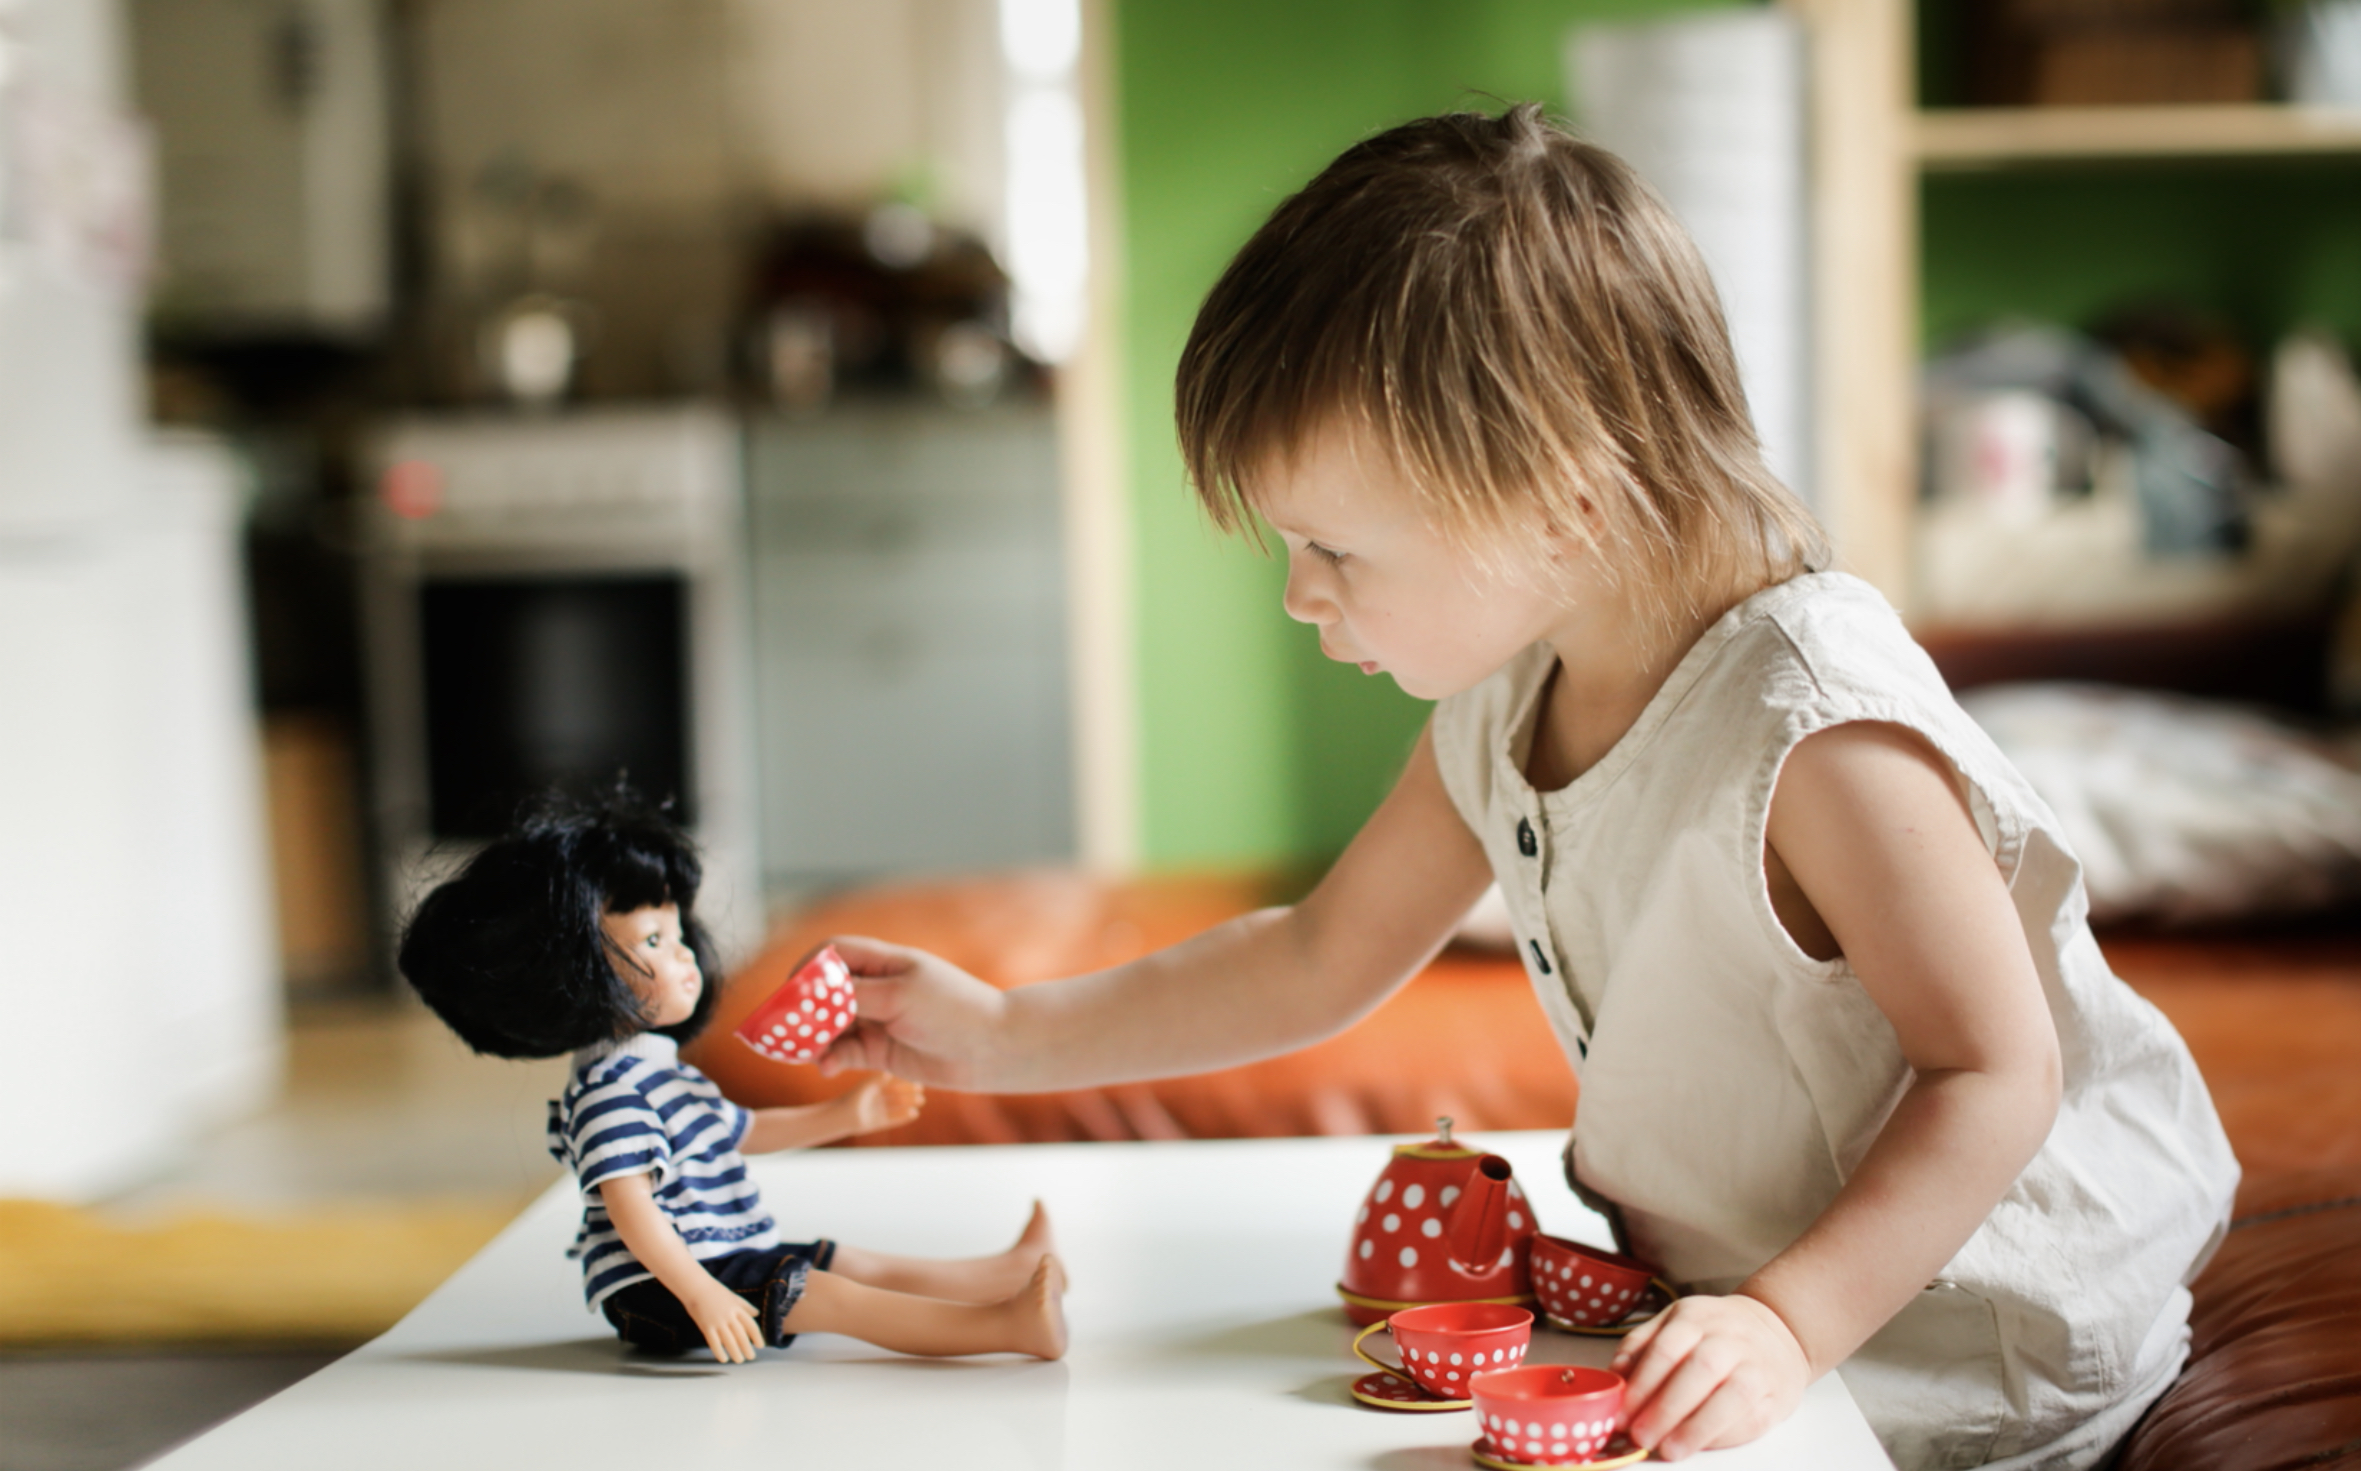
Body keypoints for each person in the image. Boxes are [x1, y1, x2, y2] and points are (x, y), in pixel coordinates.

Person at [816, 106, 2236, 1468]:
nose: (1304, 598)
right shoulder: (1513, 681)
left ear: (1557, 500)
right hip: (1743, 1318)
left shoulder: (1813, 726)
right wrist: (1003, 1032)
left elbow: (1997, 1068)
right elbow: (1321, 950)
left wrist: (1786, 1321)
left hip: (1972, 1350)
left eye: (1335, 549)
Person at [397, 788, 1067, 1364]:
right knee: (828, 1293)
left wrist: (844, 1116)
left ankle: (1004, 1273)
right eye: (652, 941)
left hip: (719, 1257)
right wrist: (701, 1293)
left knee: (845, 1259)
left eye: (676, 929)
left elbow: (741, 1132)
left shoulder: (660, 1075)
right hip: (654, 1292)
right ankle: (1003, 1325)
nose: (685, 951)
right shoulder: (609, 1096)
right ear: (572, 979)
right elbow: (632, 1213)